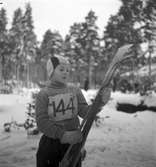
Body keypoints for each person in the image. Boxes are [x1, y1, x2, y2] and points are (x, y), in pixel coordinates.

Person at [35, 55, 111, 167]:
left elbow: (84, 112)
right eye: (61, 69)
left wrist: (99, 104)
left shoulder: (74, 91)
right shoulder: (44, 94)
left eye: (67, 70)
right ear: (51, 71)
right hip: (51, 145)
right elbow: (42, 122)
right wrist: (62, 134)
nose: (65, 72)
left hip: (72, 145)